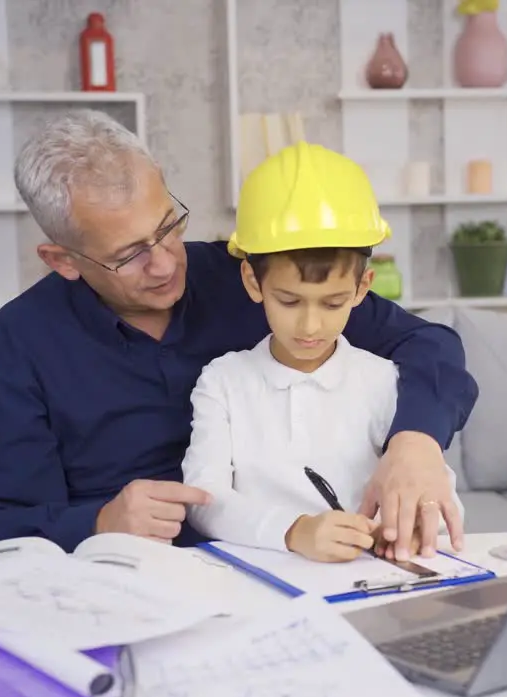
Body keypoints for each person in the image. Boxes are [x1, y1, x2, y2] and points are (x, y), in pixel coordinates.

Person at [0, 110, 478, 560]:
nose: (163, 264)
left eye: (169, 226)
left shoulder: (254, 277)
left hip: (284, 564)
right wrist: (98, 521)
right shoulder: (15, 349)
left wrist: (416, 441)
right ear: (63, 261)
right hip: (126, 580)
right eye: (129, 254)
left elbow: (429, 344)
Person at [182, 142, 464, 562]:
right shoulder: (222, 382)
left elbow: (440, 500)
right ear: (252, 282)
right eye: (290, 302)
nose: (311, 326)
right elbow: (203, 500)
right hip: (258, 583)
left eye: (333, 303)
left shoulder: (385, 381)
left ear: (362, 288)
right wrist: (294, 531)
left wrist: (414, 520)